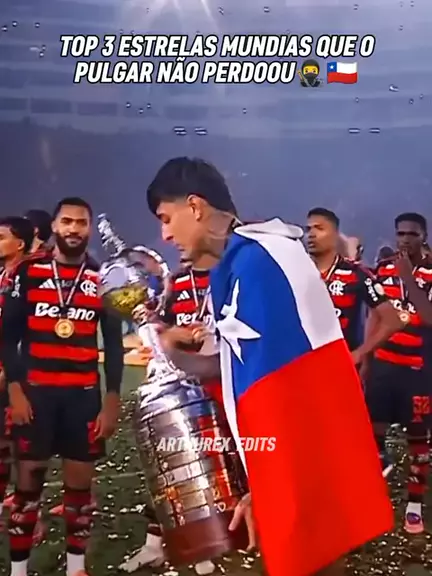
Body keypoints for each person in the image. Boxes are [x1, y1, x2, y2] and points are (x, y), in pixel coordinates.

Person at [144, 157, 393, 576]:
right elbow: (238, 369)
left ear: (195, 207)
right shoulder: (240, 263)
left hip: (307, 459)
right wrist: (170, 349)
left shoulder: (261, 262)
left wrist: (269, 486)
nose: (165, 235)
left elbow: (284, 389)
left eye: (166, 219)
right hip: (296, 459)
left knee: (313, 559)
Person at [2, 197, 124, 576]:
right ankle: (18, 571)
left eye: (81, 222)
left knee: (80, 491)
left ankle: (76, 568)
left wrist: (112, 399)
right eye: (67, 221)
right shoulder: (27, 272)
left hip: (83, 398)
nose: (74, 229)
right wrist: (16, 390)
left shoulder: (103, 277)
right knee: (27, 489)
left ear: (89, 229)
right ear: (54, 226)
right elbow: (7, 336)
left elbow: (114, 344)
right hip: (36, 395)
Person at [119, 256, 222, 576]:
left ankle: (208, 541)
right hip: (179, 387)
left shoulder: (229, 275)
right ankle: (154, 545)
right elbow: (160, 326)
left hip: (220, 383)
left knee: (211, 467)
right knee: (169, 465)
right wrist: (170, 331)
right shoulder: (176, 282)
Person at [365, 212, 432, 535]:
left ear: (424, 237)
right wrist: (367, 358)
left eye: (412, 234)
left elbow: (429, 317)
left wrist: (408, 278)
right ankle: (372, 497)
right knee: (373, 433)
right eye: (400, 233)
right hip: (383, 365)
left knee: (418, 441)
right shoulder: (383, 268)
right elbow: (376, 316)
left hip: (417, 370)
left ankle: (414, 505)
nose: (404, 239)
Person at [306, 208, 401, 367]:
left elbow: (393, 320)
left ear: (335, 235)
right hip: (301, 365)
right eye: (308, 229)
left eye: (319, 228)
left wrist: (360, 353)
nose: (311, 234)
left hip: (340, 366)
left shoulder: (356, 274)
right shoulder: (296, 270)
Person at [0, 217, 35, 524]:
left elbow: (27, 330)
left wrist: (12, 373)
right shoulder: (5, 275)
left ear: (19, 243)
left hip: (18, 374)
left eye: (1, 237)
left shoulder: (29, 276)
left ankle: (30, 516)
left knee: (21, 448)